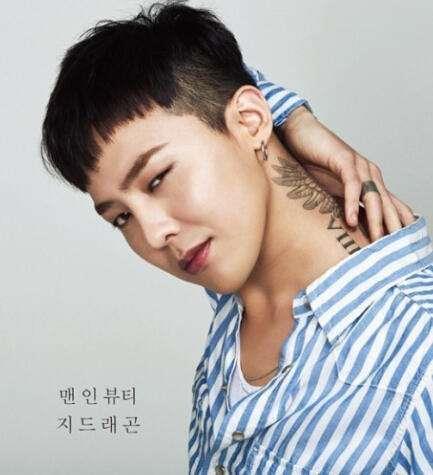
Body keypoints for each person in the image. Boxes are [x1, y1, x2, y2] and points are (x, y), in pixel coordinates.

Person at [39, 2, 433, 474]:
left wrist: (277, 116)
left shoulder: (418, 362)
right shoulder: (239, 280)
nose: (154, 233)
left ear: (250, 121)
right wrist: (295, 119)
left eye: (159, 179)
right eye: (121, 218)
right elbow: (210, 77)